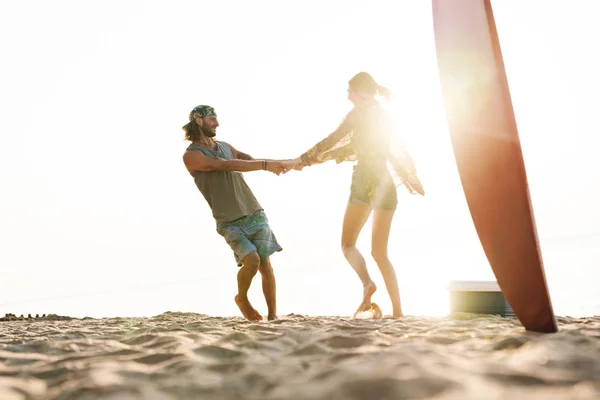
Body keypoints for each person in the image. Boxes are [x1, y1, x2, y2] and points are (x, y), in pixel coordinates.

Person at [286, 72, 424, 317]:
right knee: (381, 253)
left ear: (361, 93)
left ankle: (367, 284)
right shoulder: (384, 116)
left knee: (347, 244)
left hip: (364, 181)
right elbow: (392, 150)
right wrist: (411, 178)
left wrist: (302, 160)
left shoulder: (356, 116)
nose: (347, 95)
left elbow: (332, 141)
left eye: (349, 90)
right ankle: (398, 312)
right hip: (386, 185)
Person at [182, 105, 289, 321]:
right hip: (229, 220)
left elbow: (243, 159)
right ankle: (242, 298)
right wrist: (266, 165)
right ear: (199, 121)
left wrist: (281, 163)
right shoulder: (192, 155)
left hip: (253, 210)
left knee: (265, 263)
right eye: (212, 119)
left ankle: (272, 316)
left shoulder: (225, 146)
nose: (217, 123)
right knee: (252, 261)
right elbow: (224, 165)